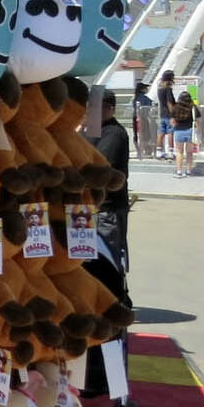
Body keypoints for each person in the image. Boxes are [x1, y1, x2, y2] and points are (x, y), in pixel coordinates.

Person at [92, 90, 131, 274]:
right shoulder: (89, 130)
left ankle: (116, 297)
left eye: (99, 107)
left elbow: (101, 163)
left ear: (111, 109)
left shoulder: (114, 133)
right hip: (90, 208)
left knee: (107, 259)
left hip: (107, 209)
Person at [171, 89, 196, 178]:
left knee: (179, 152)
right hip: (190, 131)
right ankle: (189, 171)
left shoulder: (175, 108)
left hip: (178, 131)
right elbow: (198, 120)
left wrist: (175, 127)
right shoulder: (193, 107)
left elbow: (172, 121)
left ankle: (179, 171)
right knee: (189, 152)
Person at [156, 70, 176, 160]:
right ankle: (171, 152)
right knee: (170, 133)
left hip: (162, 114)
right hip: (168, 114)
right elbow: (169, 103)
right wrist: (173, 115)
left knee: (161, 133)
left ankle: (159, 151)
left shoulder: (160, 89)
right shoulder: (168, 89)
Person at [132, 82, 153, 157]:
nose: (147, 89)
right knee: (146, 134)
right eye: (145, 88)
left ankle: (139, 150)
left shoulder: (135, 98)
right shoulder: (144, 98)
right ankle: (147, 150)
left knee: (136, 134)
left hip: (135, 117)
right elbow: (150, 105)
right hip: (143, 118)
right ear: (142, 89)